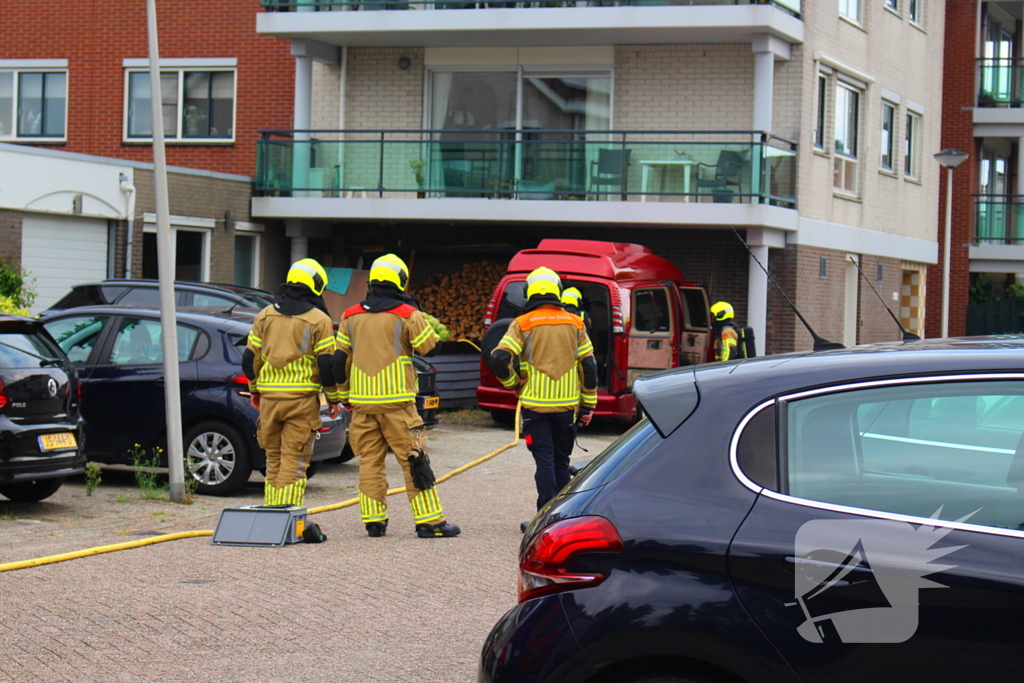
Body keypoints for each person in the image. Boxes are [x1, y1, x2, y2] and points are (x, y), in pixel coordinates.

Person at [335, 253, 461, 539]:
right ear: (400, 281)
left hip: (362, 404)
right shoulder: (407, 314)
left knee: (369, 462)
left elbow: (339, 360)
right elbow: (431, 348)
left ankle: (374, 522)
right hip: (398, 404)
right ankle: (430, 522)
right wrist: (416, 312)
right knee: (415, 459)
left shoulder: (349, 314)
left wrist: (343, 396)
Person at [490, 267, 598, 527]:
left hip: (535, 409)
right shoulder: (575, 323)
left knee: (545, 463)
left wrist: (513, 383)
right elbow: (590, 366)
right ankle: (564, 519)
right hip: (566, 409)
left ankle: (544, 520)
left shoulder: (523, 323)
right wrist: (588, 405)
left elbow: (499, 357)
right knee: (562, 463)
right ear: (557, 291)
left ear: (530, 292)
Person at [243, 258, 342, 509]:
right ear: (316, 285)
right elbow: (326, 365)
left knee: (273, 459)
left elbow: (249, 359)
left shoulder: (264, 315)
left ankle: (270, 514)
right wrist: (332, 398)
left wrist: (255, 390)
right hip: (300, 401)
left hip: (270, 401)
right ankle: (287, 519)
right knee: (295, 461)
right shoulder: (318, 320)